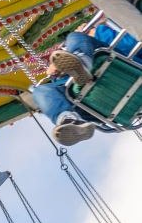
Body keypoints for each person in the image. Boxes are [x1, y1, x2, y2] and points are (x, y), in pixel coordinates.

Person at [20, 16, 140, 145]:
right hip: (113, 88)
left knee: (41, 91)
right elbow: (132, 45)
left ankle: (68, 116)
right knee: (76, 38)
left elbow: (131, 44)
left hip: (97, 98)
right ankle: (72, 121)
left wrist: (97, 32)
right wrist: (58, 73)